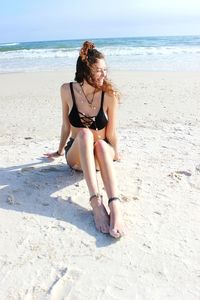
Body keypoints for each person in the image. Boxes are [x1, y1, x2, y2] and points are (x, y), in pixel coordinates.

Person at [45, 41, 125, 238]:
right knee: (85, 134)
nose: (104, 75)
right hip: (76, 156)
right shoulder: (66, 90)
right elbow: (65, 125)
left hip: (100, 154)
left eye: (105, 70)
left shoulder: (109, 96)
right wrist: (59, 150)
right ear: (86, 69)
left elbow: (111, 133)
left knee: (101, 144)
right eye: (99, 70)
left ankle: (115, 205)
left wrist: (116, 151)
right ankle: (96, 202)